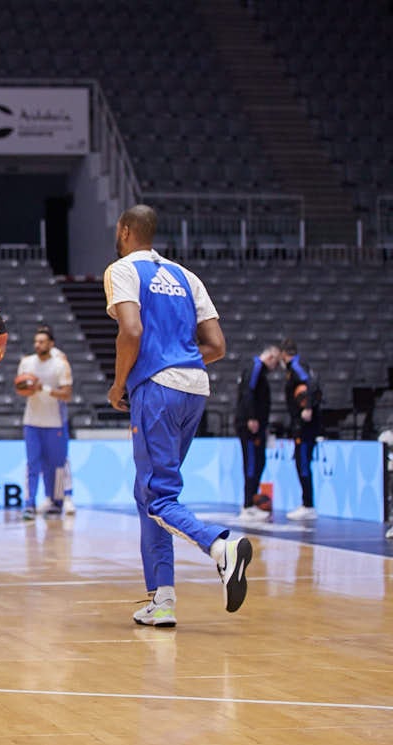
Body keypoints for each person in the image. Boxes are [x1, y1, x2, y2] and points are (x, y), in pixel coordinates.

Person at [103, 204, 252, 628]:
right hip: (195, 389)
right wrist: (179, 358)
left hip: (158, 391)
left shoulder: (122, 269)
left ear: (126, 230)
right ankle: (162, 599)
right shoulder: (188, 276)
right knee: (147, 494)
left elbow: (130, 331)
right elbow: (217, 345)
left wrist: (119, 385)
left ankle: (220, 545)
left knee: (159, 497)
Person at [16, 325, 74, 519]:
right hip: (32, 422)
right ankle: (29, 504)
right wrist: (28, 389)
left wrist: (43, 389)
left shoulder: (60, 365)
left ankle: (57, 502)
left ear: (51, 344)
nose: (37, 344)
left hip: (55, 422)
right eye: (36, 341)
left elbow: (67, 394)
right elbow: (20, 388)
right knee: (32, 464)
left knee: (56, 465)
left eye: (41, 341)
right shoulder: (26, 363)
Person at [235, 345, 281, 521]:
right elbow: (248, 393)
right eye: (275, 364)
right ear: (270, 357)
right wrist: (252, 418)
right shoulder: (255, 368)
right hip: (250, 427)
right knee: (252, 464)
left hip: (257, 426)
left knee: (259, 462)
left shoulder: (258, 371)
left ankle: (251, 501)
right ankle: (248, 506)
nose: (274, 368)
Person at [279, 338, 322, 521]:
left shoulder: (296, 366)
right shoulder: (296, 367)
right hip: (300, 423)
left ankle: (308, 505)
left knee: (303, 462)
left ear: (283, 354)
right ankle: (306, 503)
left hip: (305, 425)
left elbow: (311, 384)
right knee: (301, 462)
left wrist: (308, 407)